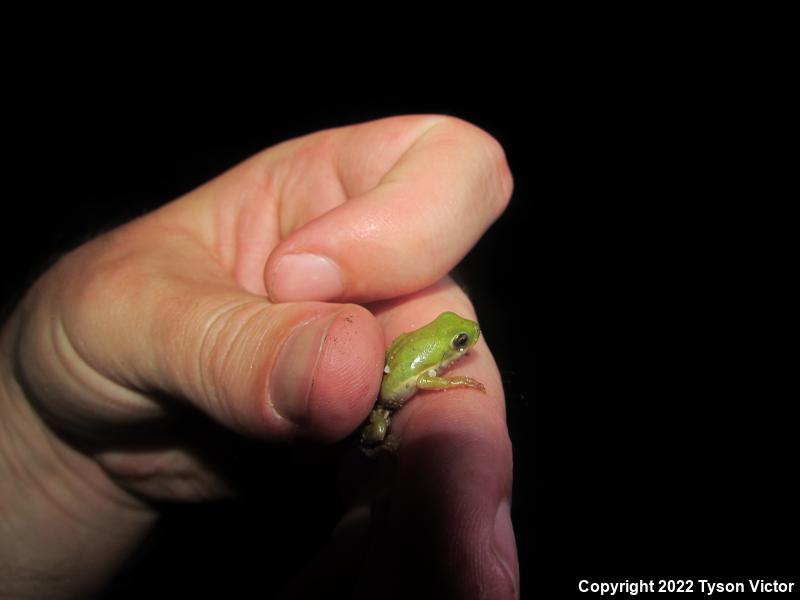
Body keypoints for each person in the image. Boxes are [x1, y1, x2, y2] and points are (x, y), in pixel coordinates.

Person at [0, 115, 518, 598]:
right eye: (459, 344)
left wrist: (46, 452)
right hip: (378, 392)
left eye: (461, 343)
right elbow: (418, 381)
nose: (465, 345)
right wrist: (37, 438)